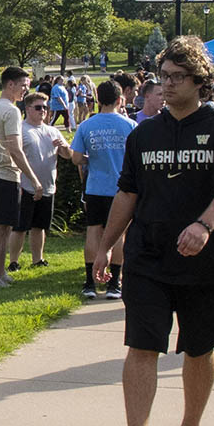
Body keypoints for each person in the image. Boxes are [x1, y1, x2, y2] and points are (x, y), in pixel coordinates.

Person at [90, 36, 214, 426]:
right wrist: (105, 247)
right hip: (147, 256)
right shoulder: (144, 132)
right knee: (142, 345)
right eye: (163, 77)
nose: (167, 85)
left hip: (205, 257)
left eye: (177, 77)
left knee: (199, 347)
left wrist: (204, 225)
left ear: (201, 81)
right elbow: (128, 193)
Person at [63, 80, 136, 300]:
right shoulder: (130, 126)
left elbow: (76, 158)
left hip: (95, 187)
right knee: (120, 234)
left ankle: (89, 282)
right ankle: (114, 283)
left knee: (93, 231)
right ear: (118, 99)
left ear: (97, 99)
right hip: (121, 190)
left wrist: (92, 157)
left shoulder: (87, 125)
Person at [0, 66, 40, 286]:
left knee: (3, 228)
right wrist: (33, 179)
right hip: (4, 175)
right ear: (10, 84)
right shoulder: (12, 111)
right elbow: (15, 149)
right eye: (24, 85)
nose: (26, 89)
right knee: (0, 229)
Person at [10, 93, 65, 271]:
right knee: (20, 227)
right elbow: (14, 156)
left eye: (45, 107)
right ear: (27, 109)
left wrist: (64, 147)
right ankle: (13, 262)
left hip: (48, 186)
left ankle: (37, 259)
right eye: (38, 107)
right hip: (26, 186)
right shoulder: (21, 130)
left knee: (40, 226)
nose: (43, 111)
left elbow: (69, 156)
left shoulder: (52, 131)